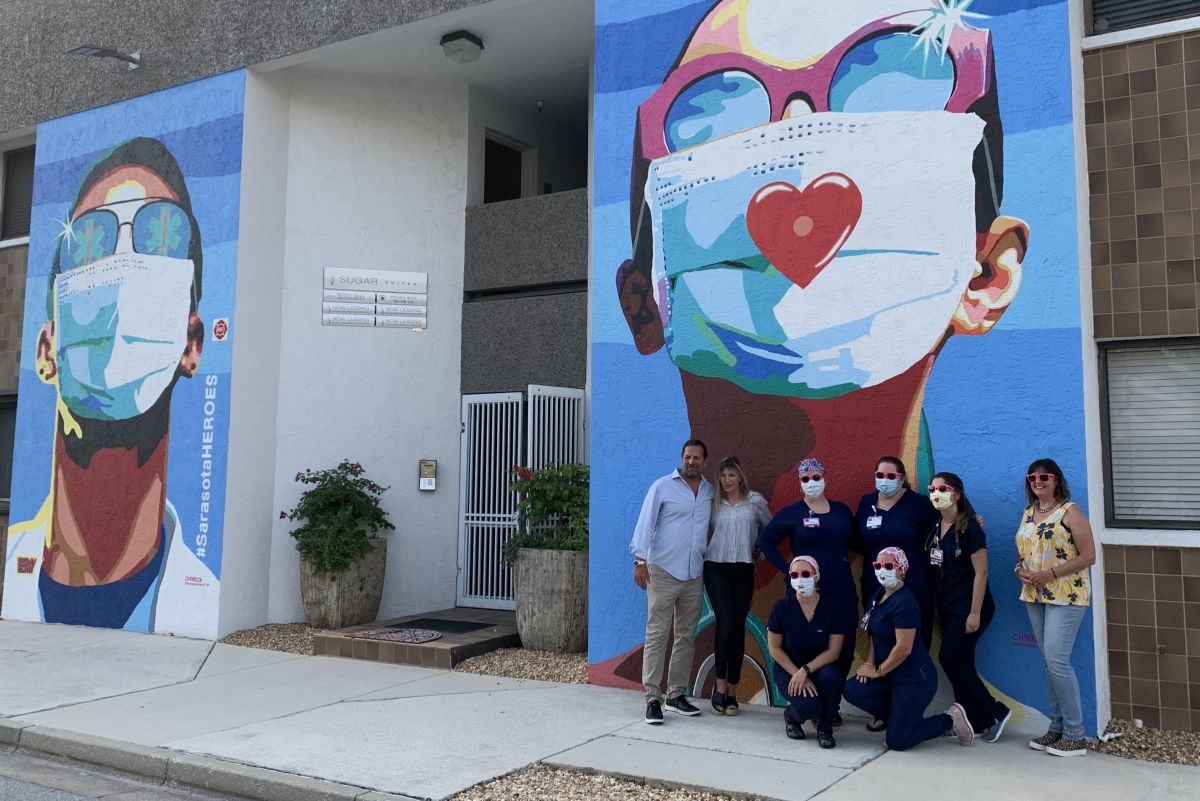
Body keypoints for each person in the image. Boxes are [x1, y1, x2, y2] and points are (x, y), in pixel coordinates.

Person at [598, 0, 1031, 690]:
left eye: (892, 73)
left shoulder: (918, 527)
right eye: (714, 106)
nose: (797, 134)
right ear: (643, 305)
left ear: (986, 274)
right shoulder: (695, 503)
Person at [3, 137, 216, 633]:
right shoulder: (14, 572)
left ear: (191, 345)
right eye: (91, 240)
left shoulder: (207, 598)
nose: (120, 263)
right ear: (46, 351)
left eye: (160, 235)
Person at [843, 547, 974, 751]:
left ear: (902, 570)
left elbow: (904, 648)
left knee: (898, 741)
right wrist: (869, 662)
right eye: (877, 566)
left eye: (888, 566)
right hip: (889, 675)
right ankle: (898, 718)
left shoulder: (904, 603)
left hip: (913, 678)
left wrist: (878, 671)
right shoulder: (879, 594)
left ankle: (950, 720)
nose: (881, 570)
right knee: (852, 689)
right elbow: (874, 635)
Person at [630, 439, 716, 724]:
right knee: (657, 635)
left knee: (685, 637)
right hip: (663, 572)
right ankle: (652, 698)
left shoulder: (708, 492)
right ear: (681, 458)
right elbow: (645, 523)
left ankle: (676, 694)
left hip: (693, 575)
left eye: (697, 458)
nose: (691, 462)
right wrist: (640, 561)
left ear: (705, 461)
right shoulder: (662, 487)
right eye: (687, 457)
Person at [758, 458, 857, 703]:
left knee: (843, 649)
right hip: (805, 595)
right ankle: (810, 704)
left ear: (824, 478)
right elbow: (765, 541)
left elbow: (859, 541)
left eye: (816, 478)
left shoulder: (842, 511)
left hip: (841, 590)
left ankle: (830, 706)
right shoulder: (792, 514)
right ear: (800, 484)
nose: (811, 483)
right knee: (806, 647)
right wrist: (788, 569)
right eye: (805, 479)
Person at [1016, 458, 1096, 757]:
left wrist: (1050, 574)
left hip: (1066, 594)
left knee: (1057, 660)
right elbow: (1025, 553)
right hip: (1034, 594)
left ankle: (1076, 734)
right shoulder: (1028, 513)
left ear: (1056, 480)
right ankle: (1057, 727)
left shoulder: (1070, 511)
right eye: (1032, 477)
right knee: (1049, 662)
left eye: (1044, 477)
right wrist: (1019, 571)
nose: (1038, 481)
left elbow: (1089, 556)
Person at [926, 472, 1012, 742]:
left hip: (970, 606)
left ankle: (994, 712)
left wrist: (974, 612)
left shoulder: (970, 529)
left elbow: (981, 573)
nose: (936, 493)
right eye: (932, 488)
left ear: (957, 494)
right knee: (961, 662)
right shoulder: (935, 526)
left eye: (943, 488)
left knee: (951, 658)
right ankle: (970, 719)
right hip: (949, 606)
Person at [704, 456, 771, 715]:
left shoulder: (755, 502)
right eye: (723, 476)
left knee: (737, 628)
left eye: (732, 475)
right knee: (725, 624)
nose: (727, 480)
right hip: (716, 567)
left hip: (743, 568)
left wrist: (759, 553)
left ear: (740, 477)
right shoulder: (713, 504)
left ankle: (733, 689)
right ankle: (719, 687)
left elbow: (770, 528)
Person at [767, 555, 852, 749]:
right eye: (794, 574)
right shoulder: (781, 608)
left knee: (833, 679)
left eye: (805, 573)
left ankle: (824, 729)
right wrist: (796, 673)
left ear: (816, 576)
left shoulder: (832, 608)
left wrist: (805, 670)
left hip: (819, 667)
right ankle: (792, 717)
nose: (800, 578)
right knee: (811, 707)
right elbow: (775, 649)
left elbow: (834, 651)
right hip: (788, 669)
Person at [855, 457, 938, 647]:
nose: (885, 479)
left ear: (901, 479)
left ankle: (917, 676)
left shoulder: (918, 502)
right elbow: (857, 537)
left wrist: (970, 518)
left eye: (891, 475)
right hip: (876, 582)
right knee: (880, 636)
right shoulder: (867, 502)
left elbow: (942, 526)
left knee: (915, 639)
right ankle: (882, 674)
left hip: (914, 582)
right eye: (880, 475)